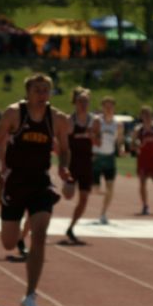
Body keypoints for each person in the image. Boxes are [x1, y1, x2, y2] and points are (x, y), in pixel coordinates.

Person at [0, 73, 72, 306]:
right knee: (8, 243)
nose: (42, 94)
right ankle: (20, 227)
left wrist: (63, 167)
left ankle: (30, 294)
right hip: (15, 182)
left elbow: (65, 149)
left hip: (40, 183)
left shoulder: (57, 119)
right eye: (37, 90)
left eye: (46, 90)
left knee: (40, 235)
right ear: (27, 93)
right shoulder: (14, 113)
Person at [64, 86, 100, 244]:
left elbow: (98, 142)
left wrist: (93, 136)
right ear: (75, 102)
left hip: (87, 163)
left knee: (84, 198)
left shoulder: (95, 121)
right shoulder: (69, 120)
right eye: (81, 101)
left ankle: (71, 227)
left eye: (86, 101)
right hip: (72, 164)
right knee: (68, 194)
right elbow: (63, 143)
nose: (84, 104)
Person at [92, 96, 124, 224]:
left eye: (111, 106)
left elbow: (120, 141)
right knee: (95, 189)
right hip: (97, 157)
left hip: (110, 158)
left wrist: (121, 148)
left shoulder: (118, 124)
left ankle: (103, 213)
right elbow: (92, 137)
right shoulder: (97, 122)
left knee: (110, 186)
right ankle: (102, 192)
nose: (109, 108)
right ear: (102, 108)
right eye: (106, 106)